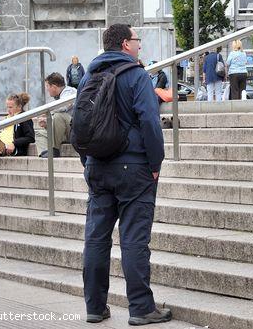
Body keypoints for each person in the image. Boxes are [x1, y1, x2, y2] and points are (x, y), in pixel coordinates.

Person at [79, 23, 171, 325]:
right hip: (133, 168)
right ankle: (142, 308)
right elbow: (150, 123)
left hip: (97, 165)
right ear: (124, 44)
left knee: (96, 238)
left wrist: (88, 160)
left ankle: (95, 306)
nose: (139, 45)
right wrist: (155, 163)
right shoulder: (136, 75)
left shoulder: (88, 76)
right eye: (136, 40)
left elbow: (79, 122)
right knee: (133, 239)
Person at [36, 72, 77, 158]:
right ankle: (45, 152)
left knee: (59, 115)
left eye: (47, 86)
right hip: (64, 132)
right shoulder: (58, 97)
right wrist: (47, 123)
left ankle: (54, 150)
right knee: (40, 133)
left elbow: (63, 107)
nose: (47, 89)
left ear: (54, 87)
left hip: (75, 131)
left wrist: (46, 112)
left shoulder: (70, 92)